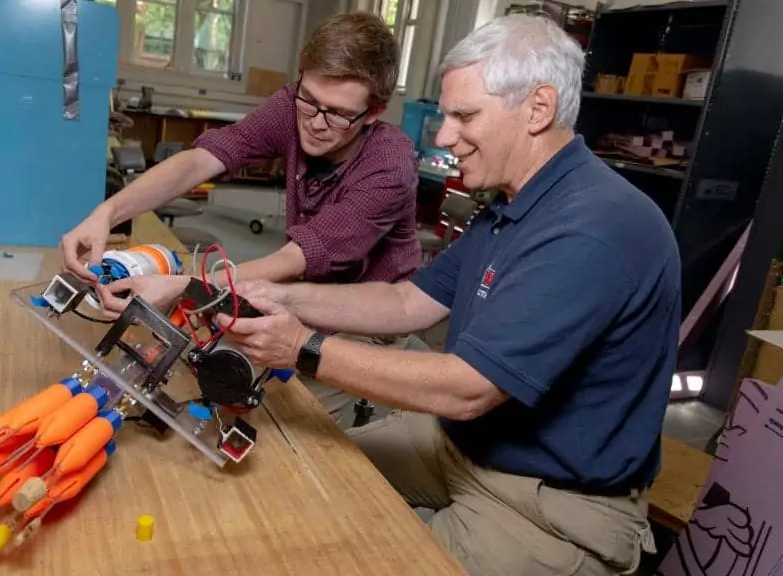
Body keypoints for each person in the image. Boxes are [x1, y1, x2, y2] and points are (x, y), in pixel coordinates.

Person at [212, 14, 680, 576]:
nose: (441, 136)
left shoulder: (592, 228)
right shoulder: (516, 203)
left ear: (538, 108)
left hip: (545, 504)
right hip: (460, 447)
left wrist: (303, 348)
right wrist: (282, 297)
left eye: (464, 116)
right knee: (300, 472)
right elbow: (410, 303)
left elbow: (468, 390)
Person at [60, 11, 426, 425]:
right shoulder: (294, 104)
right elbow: (201, 161)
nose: (315, 122)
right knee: (216, 375)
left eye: (338, 114)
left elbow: (297, 256)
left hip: (368, 321)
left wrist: (186, 288)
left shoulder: (390, 165)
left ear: (374, 112)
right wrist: (107, 211)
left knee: (282, 421)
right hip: (301, 294)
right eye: (309, 100)